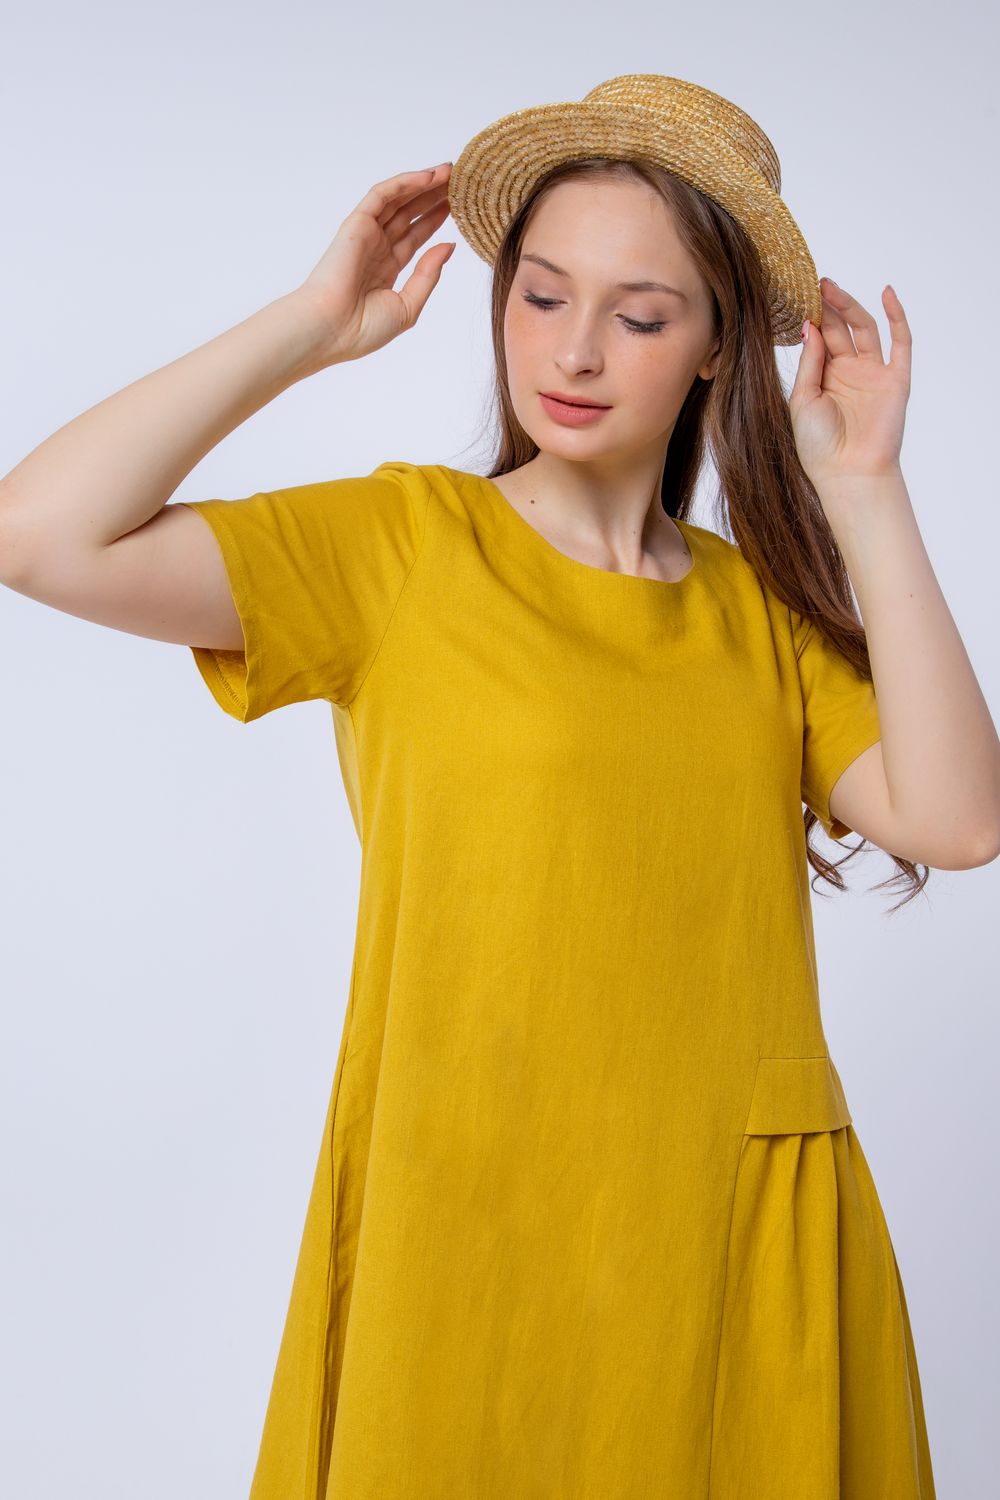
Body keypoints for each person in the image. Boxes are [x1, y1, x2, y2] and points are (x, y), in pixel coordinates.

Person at [3, 71, 996, 1499]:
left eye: (640, 317)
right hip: (467, 1230)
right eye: (541, 295)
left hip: (725, 1230)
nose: (575, 350)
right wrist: (309, 327)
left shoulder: (757, 612)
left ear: (718, 347)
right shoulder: (403, 547)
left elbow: (959, 818)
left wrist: (868, 492)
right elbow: (38, 537)